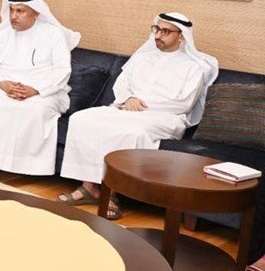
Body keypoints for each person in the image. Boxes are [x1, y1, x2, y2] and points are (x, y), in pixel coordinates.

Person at [58, 13, 219, 219]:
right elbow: (121, 85)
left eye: (166, 32)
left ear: (182, 36)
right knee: (81, 119)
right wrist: (129, 98)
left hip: (165, 116)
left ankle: (111, 194)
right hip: (126, 108)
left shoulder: (194, 66)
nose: (158, 35)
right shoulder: (142, 57)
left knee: (132, 131)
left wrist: (142, 104)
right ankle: (89, 187)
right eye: (157, 30)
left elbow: (184, 103)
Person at [0, 0, 80, 185]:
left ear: (36, 13)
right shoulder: (1, 35)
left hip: (44, 91)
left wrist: (35, 89)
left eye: (20, 11)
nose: (13, 16)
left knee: (33, 111)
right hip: (5, 87)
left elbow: (62, 70)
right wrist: (3, 84)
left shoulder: (53, 35)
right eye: (12, 10)